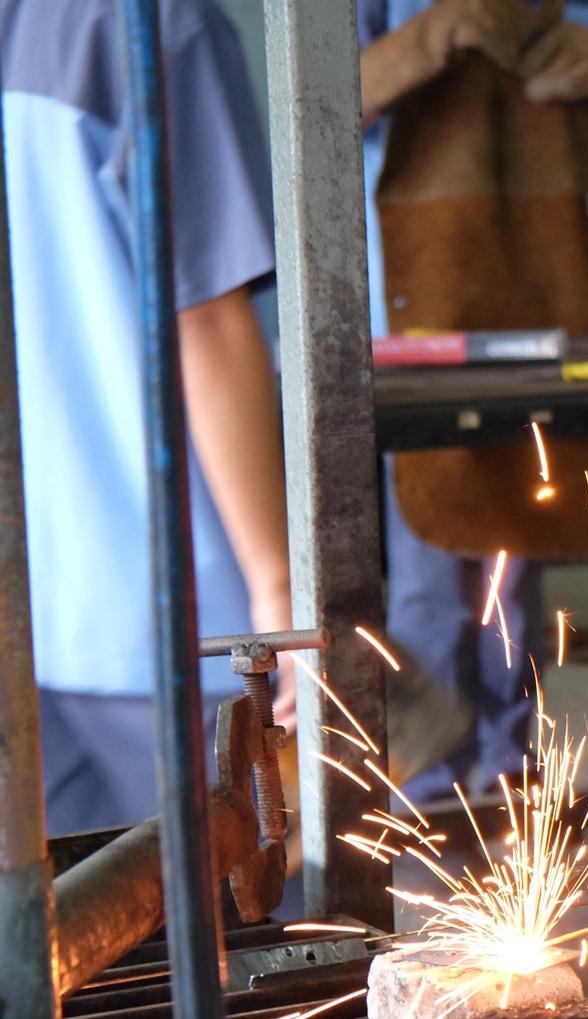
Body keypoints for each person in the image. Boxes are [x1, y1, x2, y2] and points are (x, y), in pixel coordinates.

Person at [357, 0, 588, 799]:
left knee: (519, 538)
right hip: (418, 301)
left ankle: (508, 770)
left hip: (554, 291)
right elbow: (331, 100)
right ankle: (428, 789)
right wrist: (440, 30)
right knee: (436, 543)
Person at [3, 0, 294, 836]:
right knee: (210, 926)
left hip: (29, 600)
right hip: (165, 610)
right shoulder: (153, 21)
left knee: (61, 941)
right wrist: (278, 592)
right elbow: (201, 317)